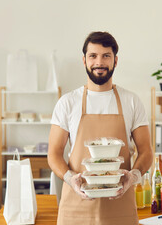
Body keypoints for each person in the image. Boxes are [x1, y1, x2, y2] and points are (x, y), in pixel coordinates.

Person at [48, 31, 153, 225]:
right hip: (76, 206)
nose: (99, 62)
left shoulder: (131, 101)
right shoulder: (68, 103)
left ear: (115, 60)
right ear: (84, 60)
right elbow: (54, 153)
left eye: (106, 56)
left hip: (120, 206)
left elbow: (146, 151)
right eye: (93, 56)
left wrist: (134, 176)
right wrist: (71, 179)